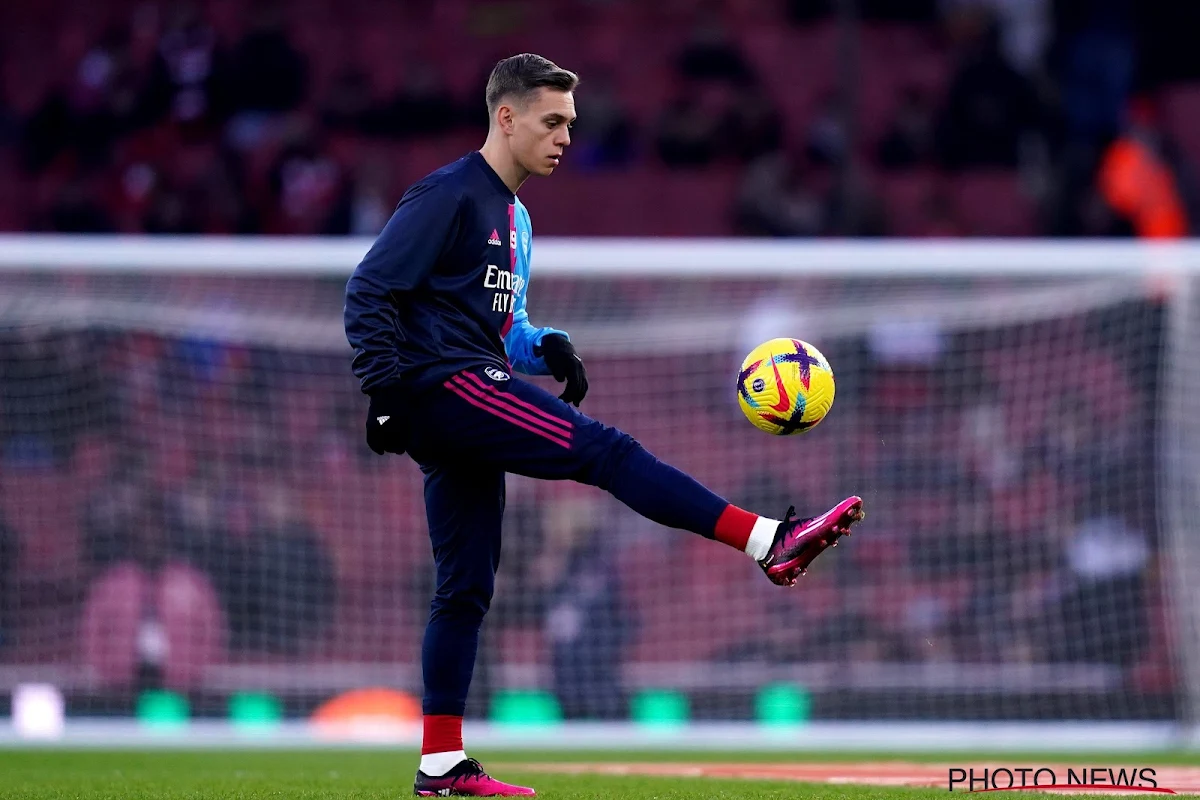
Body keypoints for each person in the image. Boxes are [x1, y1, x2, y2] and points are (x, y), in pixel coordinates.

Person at [343, 53, 865, 798]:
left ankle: (440, 766)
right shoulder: (449, 194)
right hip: (441, 384)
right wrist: (385, 392)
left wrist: (541, 344)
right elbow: (369, 289)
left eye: (571, 123)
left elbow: (501, 325)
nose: (564, 136)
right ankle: (768, 541)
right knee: (607, 451)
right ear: (507, 117)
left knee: (464, 589)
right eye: (552, 122)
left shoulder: (519, 220)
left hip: (464, 379)